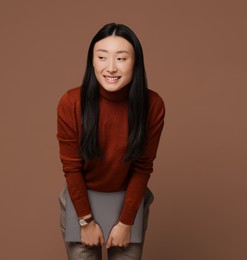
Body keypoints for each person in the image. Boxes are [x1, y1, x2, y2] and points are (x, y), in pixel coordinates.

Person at [57, 23, 165, 260]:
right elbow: (72, 167)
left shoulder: (152, 105)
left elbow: (142, 167)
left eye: (122, 58)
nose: (111, 68)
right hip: (81, 201)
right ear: (92, 61)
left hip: (129, 202)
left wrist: (126, 222)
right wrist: (85, 221)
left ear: (135, 63)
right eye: (102, 57)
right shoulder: (71, 102)